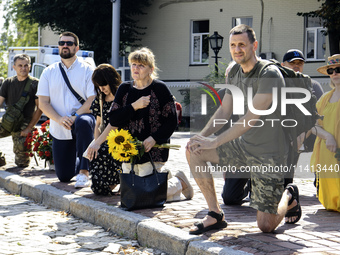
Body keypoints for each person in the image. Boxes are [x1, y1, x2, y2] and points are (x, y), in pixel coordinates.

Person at [186, 24, 301, 235]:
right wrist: (201, 137)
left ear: (254, 45)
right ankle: (215, 214)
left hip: (270, 154)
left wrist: (215, 141)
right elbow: (225, 111)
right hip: (245, 147)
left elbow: (250, 119)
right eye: (233, 45)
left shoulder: (270, 74)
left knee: (265, 226)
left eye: (242, 44)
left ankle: (289, 194)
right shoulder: (235, 73)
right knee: (194, 149)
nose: (237, 49)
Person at [109, 47, 193, 202]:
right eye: (133, 64)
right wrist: (134, 106)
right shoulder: (124, 89)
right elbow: (113, 118)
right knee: (133, 194)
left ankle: (178, 182)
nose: (136, 68)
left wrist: (154, 138)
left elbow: (172, 121)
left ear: (150, 69)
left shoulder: (159, 88)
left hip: (153, 150)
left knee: (147, 195)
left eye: (141, 65)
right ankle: (171, 181)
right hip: (128, 150)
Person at [37, 32, 96, 188]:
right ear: (58, 46)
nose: (65, 45)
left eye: (69, 43)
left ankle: (84, 171)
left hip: (82, 119)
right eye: (62, 43)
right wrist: (59, 119)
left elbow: (92, 100)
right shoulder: (48, 72)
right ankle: (82, 160)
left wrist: (75, 116)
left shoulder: (88, 70)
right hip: (60, 125)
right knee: (64, 176)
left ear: (76, 48)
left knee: (83, 122)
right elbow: (43, 103)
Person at [84, 64, 122, 195]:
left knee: (106, 152)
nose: (101, 88)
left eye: (103, 84)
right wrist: (96, 143)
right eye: (98, 85)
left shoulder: (122, 97)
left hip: (122, 138)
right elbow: (98, 124)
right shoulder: (100, 99)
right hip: (104, 139)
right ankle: (103, 185)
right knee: (95, 153)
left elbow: (117, 124)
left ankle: (116, 182)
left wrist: (99, 143)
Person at [310, 54, 340, 212]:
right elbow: (313, 126)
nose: (334, 73)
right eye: (331, 70)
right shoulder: (324, 99)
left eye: (338, 69)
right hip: (329, 153)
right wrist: (328, 136)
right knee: (330, 203)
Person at [0, 54, 42, 167]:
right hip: (8, 122)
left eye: (26, 65)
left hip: (24, 124)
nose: (23, 68)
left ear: (30, 67)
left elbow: (40, 108)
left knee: (22, 164)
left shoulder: (35, 84)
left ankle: (22, 159)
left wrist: (29, 128)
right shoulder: (8, 82)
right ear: (14, 67)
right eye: (20, 65)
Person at [282, 49, 324, 152]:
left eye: (300, 63)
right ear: (283, 65)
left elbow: (319, 116)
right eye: (292, 63)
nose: (296, 65)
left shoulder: (313, 85)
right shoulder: (277, 86)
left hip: (308, 144)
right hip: (282, 143)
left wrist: (300, 139)